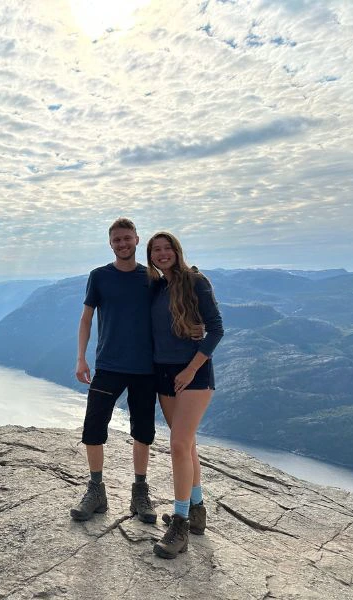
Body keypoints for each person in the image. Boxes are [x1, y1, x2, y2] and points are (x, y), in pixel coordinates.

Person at [70, 217, 158, 524]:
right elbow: (86, 319)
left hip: (146, 367)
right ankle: (96, 490)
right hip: (108, 364)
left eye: (127, 238)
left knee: (143, 430)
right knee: (93, 427)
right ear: (110, 244)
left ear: (137, 240)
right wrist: (81, 358)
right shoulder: (99, 277)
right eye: (117, 240)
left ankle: (140, 492)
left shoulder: (152, 277)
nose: (122, 244)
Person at [146, 231, 224, 559]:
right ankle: (197, 510)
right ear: (150, 255)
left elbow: (216, 328)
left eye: (167, 248)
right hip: (163, 373)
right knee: (187, 444)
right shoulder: (157, 287)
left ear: (177, 251)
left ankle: (179, 524)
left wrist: (191, 369)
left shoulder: (195, 281)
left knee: (178, 444)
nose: (162, 254)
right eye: (156, 250)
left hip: (193, 374)